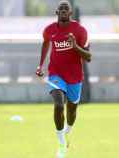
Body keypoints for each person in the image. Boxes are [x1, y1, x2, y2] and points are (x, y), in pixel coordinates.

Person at [35, 1, 92, 157]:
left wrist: (75, 46)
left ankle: (68, 131)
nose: (64, 11)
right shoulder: (49, 30)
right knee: (59, 104)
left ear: (71, 13)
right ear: (57, 12)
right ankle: (61, 143)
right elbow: (46, 44)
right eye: (61, 9)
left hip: (74, 77)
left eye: (66, 9)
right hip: (56, 74)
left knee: (72, 110)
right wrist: (40, 65)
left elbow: (88, 57)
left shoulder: (80, 31)